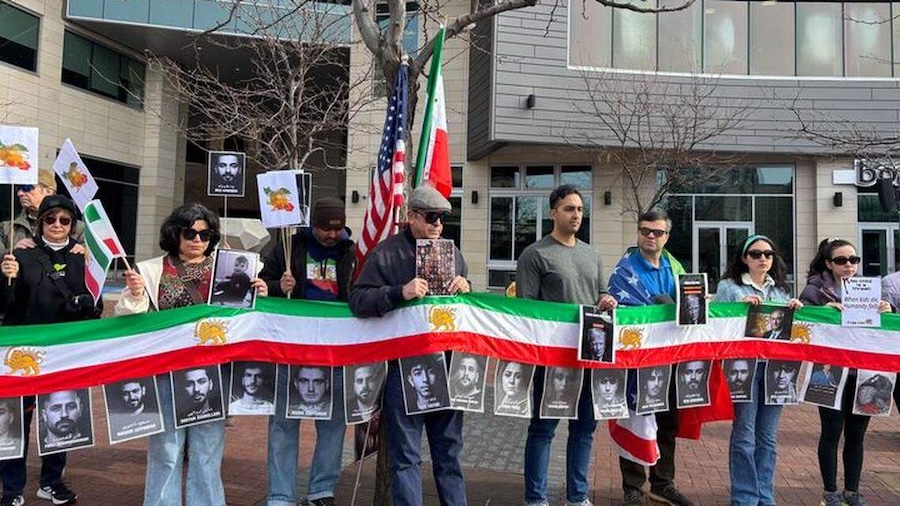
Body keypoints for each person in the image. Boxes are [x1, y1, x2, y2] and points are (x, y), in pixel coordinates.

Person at [115, 203, 267, 506]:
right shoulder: (149, 270)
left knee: (208, 451)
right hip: (166, 373)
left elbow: (246, 321)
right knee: (166, 450)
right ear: (175, 234)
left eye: (205, 234)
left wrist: (260, 294)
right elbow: (127, 318)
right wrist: (134, 295)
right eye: (190, 233)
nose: (197, 239)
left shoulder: (232, 268)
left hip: (211, 374)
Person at [349, 184, 470, 506]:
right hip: (405, 370)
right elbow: (358, 299)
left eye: (443, 219)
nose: (437, 225)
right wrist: (397, 292)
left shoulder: (452, 253)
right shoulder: (386, 253)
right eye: (431, 217)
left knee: (450, 455)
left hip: (446, 365)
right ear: (411, 216)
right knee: (405, 457)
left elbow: (465, 308)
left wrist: (466, 286)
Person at [516, 184, 617, 506]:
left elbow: (601, 292)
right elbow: (526, 309)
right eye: (569, 209)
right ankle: (536, 498)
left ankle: (577, 496)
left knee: (585, 430)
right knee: (543, 430)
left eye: (580, 210)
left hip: (591, 356)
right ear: (553, 213)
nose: (576, 215)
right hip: (553, 361)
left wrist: (606, 300)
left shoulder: (592, 253)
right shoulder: (535, 254)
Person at [0, 194, 100, 506]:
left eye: (64, 220)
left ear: (73, 224)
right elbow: (5, 307)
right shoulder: (20, 254)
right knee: (15, 420)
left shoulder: (84, 258)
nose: (57, 225)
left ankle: (51, 482)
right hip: (22, 352)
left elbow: (93, 309)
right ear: (40, 222)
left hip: (63, 352)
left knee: (59, 418)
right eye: (50, 219)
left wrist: (87, 302)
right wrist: (7, 279)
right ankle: (12, 489)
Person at [260, 196, 355, 506]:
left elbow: (361, 291)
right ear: (312, 224)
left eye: (337, 229)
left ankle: (321, 490)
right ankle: (280, 495)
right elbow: (259, 283)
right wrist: (278, 286)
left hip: (336, 347)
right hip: (293, 346)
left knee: (333, 422)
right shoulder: (290, 247)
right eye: (325, 229)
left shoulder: (350, 252)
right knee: (284, 422)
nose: (331, 235)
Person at [608, 209, 693, 506]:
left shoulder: (675, 266)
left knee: (668, 421)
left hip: (670, 356)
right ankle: (632, 486)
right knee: (634, 418)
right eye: (645, 231)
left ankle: (663, 482)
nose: (651, 237)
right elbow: (620, 306)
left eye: (657, 232)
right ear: (638, 232)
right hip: (638, 360)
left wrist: (696, 302)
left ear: (666, 236)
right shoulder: (624, 269)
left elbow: (687, 300)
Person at [799, 238, 891, 506]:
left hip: (865, 375)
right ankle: (830, 492)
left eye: (854, 260)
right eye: (841, 260)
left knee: (856, 435)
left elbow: (883, 328)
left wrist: (888, 309)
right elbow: (802, 324)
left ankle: (852, 491)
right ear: (829, 264)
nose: (849, 265)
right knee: (831, 432)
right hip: (829, 373)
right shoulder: (815, 290)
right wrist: (821, 312)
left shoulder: (869, 290)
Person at [715, 234, 802, 506]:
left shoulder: (780, 292)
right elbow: (715, 319)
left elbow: (793, 331)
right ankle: (744, 498)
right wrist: (734, 309)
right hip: (743, 367)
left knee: (767, 437)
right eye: (755, 254)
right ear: (744, 258)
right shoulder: (729, 286)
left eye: (768, 253)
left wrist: (797, 310)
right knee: (744, 433)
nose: (762, 258)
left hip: (776, 369)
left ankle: (765, 496)